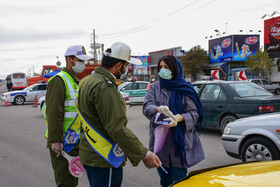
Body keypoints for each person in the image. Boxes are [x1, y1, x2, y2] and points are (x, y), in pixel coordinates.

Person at [77, 42, 161, 187]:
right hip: (104, 158)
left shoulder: (87, 81)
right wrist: (144, 154)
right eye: (126, 65)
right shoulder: (105, 86)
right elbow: (117, 128)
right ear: (118, 66)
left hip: (90, 153)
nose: (127, 69)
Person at [143, 55, 205, 187]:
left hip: (180, 145)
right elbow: (146, 107)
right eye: (160, 67)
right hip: (161, 144)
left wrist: (179, 118)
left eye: (166, 67)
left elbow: (194, 113)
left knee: (180, 181)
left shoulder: (185, 88)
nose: (162, 70)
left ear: (175, 69)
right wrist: (158, 109)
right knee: (164, 181)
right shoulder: (154, 87)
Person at [44, 45, 93, 187]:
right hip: (62, 144)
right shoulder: (59, 80)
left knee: (71, 182)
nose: (82, 64)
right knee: (65, 183)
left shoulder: (74, 81)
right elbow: (53, 113)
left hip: (73, 142)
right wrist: (55, 140)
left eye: (84, 61)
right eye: (79, 60)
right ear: (69, 60)